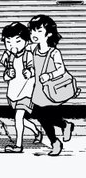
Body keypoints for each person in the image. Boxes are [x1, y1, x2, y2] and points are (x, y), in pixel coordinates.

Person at [28, 14, 75, 156]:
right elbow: (34, 67)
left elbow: (61, 70)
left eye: (39, 31)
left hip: (50, 91)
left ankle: (58, 138)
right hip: (38, 91)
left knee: (48, 118)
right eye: (32, 30)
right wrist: (30, 72)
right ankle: (61, 131)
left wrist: (49, 75)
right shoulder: (34, 50)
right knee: (41, 117)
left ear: (48, 34)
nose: (34, 34)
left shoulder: (54, 52)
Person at [0, 22, 41, 153]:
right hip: (13, 92)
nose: (13, 45)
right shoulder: (8, 56)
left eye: (17, 41)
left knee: (18, 118)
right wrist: (8, 75)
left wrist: (30, 72)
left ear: (26, 41)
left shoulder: (29, 54)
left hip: (26, 92)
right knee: (20, 119)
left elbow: (35, 69)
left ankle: (18, 146)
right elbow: (5, 76)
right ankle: (36, 131)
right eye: (8, 42)